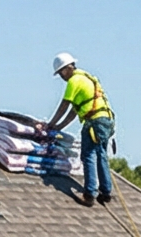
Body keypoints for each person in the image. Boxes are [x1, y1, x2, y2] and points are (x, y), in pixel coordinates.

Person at [42, 53, 114, 206]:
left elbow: (64, 106)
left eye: (61, 72)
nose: (61, 76)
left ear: (68, 68)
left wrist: (51, 123)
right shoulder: (86, 78)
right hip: (105, 120)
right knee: (101, 154)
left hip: (93, 121)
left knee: (88, 155)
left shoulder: (73, 81)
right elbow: (74, 112)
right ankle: (106, 192)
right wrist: (58, 127)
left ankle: (89, 194)